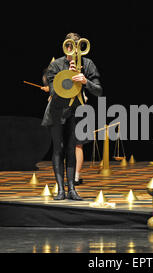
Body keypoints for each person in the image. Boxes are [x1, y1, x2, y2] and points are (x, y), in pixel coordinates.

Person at [43, 33, 103, 200]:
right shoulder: (55, 65)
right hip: (56, 111)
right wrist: (68, 78)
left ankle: (72, 190)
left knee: (71, 148)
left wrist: (85, 82)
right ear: (66, 47)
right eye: (70, 47)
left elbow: (98, 90)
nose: (73, 51)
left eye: (77, 48)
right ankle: (61, 189)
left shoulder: (87, 64)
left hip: (75, 112)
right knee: (58, 148)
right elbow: (54, 92)